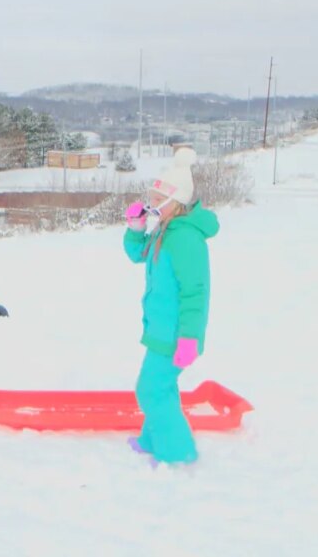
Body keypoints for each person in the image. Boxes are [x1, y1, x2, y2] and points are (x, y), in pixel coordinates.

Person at [122, 148, 218, 466]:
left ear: (174, 202)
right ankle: (153, 439)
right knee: (161, 387)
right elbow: (140, 255)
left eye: (156, 198)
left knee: (150, 390)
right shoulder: (166, 229)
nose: (151, 204)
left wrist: (190, 337)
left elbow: (195, 293)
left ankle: (178, 452)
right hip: (160, 330)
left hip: (176, 334)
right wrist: (136, 229)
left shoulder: (186, 239)